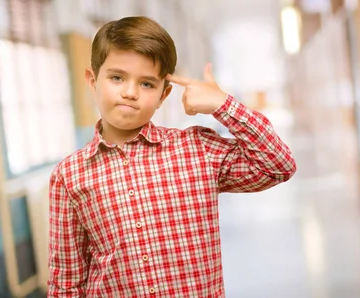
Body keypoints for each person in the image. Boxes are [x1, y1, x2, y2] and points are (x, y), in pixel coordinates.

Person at [47, 16, 296, 297]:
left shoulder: (196, 150)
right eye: (117, 77)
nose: (130, 92)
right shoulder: (69, 176)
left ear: (164, 95)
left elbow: (278, 166)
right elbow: (66, 281)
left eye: (147, 84)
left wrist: (223, 105)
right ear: (92, 80)